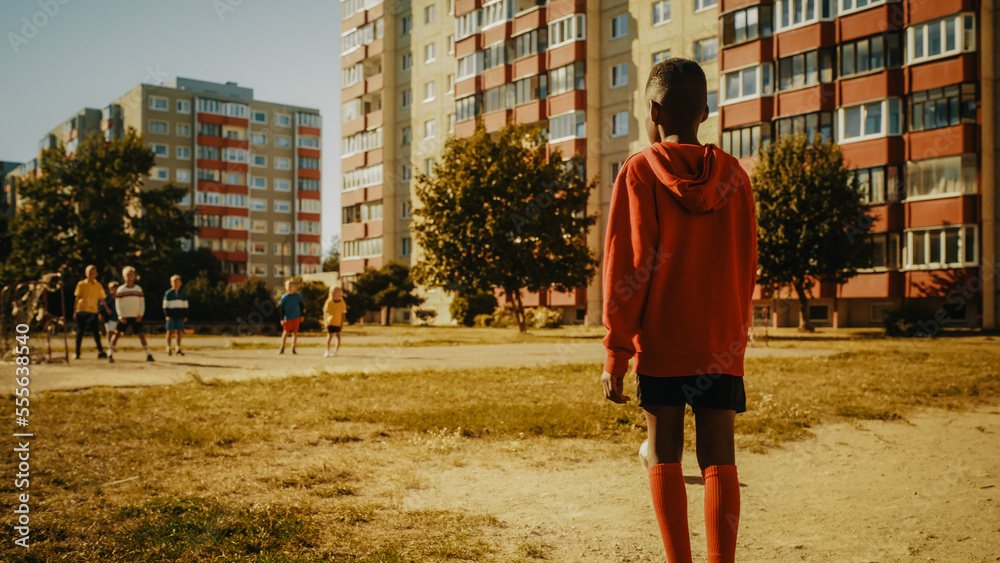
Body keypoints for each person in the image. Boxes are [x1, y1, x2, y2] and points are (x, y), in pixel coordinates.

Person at [600, 58, 757, 563]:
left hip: (664, 342)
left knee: (664, 452)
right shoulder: (735, 175)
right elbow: (746, 265)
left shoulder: (639, 171)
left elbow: (628, 267)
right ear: (705, 111)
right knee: (720, 457)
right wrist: (736, 336)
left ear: (652, 111)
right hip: (720, 340)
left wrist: (616, 352)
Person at [110, 266, 154, 363]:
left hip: (136, 316)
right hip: (124, 317)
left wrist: (140, 314)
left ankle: (148, 354)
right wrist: (121, 316)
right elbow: (118, 305)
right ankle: (110, 353)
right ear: (123, 276)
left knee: (141, 334)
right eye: (127, 275)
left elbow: (142, 303)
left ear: (134, 276)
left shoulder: (138, 289)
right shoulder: (121, 290)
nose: (130, 277)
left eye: (132, 275)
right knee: (117, 334)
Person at [73, 265, 108, 360]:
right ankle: (77, 353)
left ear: (96, 274)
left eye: (93, 273)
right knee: (80, 332)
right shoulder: (81, 284)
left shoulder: (98, 285)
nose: (91, 275)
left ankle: (100, 351)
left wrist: (104, 310)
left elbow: (102, 299)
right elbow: (77, 298)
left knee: (96, 332)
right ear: (85, 273)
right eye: (89, 273)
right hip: (82, 310)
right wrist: (75, 311)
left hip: (93, 311)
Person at [162, 274, 189, 356]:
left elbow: (186, 305)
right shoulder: (168, 293)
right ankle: (169, 347)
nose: (176, 284)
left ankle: (178, 347)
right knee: (169, 331)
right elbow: (165, 305)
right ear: (171, 283)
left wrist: (185, 315)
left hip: (180, 315)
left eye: (177, 282)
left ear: (180, 283)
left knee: (179, 331)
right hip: (171, 315)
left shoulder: (182, 293)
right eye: (174, 282)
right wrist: (167, 315)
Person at [277, 279, 304, 355]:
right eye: (288, 286)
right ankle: (282, 348)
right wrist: (282, 318)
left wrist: (302, 315)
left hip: (296, 316)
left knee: (295, 333)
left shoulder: (298, 296)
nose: (290, 287)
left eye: (291, 286)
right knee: (285, 332)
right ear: (285, 287)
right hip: (287, 317)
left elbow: (302, 306)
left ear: (294, 287)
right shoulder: (284, 297)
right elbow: (281, 308)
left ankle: (293, 348)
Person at [323, 286, 347, 357]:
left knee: (338, 336)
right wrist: (325, 322)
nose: (335, 293)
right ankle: (327, 350)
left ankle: (335, 351)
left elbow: (343, 314)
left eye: (337, 292)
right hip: (330, 322)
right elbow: (325, 312)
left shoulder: (342, 302)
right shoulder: (329, 301)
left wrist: (342, 323)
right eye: (334, 292)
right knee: (329, 336)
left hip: (338, 322)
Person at [102, 281, 120, 351]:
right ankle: (109, 346)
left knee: (117, 333)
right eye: (113, 288)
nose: (115, 290)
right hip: (109, 317)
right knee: (110, 332)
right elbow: (102, 305)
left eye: (116, 288)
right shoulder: (107, 297)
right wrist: (105, 310)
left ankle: (113, 346)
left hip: (118, 317)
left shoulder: (120, 296)